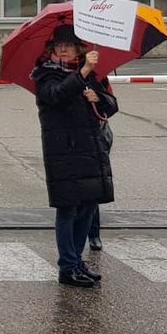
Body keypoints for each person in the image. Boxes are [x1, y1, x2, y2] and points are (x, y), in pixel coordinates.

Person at [31, 25, 117, 288]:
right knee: (68, 208)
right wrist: (83, 73)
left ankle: (77, 262)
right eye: (59, 45)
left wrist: (98, 97)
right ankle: (67, 266)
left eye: (69, 44)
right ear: (52, 49)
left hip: (90, 148)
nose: (64, 49)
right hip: (63, 150)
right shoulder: (45, 75)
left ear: (79, 48)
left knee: (88, 206)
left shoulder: (90, 74)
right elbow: (56, 96)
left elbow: (112, 105)